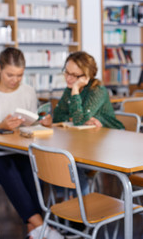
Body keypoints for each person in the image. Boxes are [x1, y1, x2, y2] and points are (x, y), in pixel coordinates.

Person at [0, 47, 62, 238]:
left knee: (32, 166)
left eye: (19, 75)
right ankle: (40, 225)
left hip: (18, 148)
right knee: (7, 167)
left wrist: (41, 122)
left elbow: (32, 122)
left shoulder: (28, 91)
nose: (15, 80)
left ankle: (34, 230)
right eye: (10, 74)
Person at [41, 51, 124, 195]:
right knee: (58, 158)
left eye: (75, 75)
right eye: (66, 72)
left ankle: (81, 203)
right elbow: (59, 116)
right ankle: (68, 201)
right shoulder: (69, 87)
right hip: (82, 139)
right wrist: (76, 116)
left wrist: (74, 90)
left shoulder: (98, 90)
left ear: (87, 76)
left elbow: (78, 120)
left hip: (109, 141)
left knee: (70, 163)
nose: (68, 78)